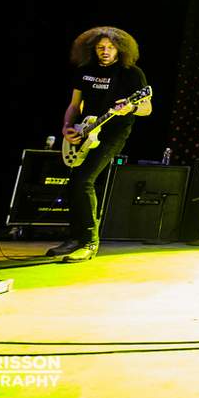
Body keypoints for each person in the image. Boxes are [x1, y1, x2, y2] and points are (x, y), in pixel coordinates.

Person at [47, 27, 151, 262]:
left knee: (84, 181)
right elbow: (74, 105)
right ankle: (75, 238)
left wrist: (131, 107)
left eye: (111, 47)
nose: (105, 51)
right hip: (85, 131)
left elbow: (147, 108)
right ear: (92, 49)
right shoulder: (84, 71)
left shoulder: (131, 73)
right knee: (74, 183)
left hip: (114, 133)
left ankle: (89, 242)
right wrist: (67, 128)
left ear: (120, 49)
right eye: (100, 47)